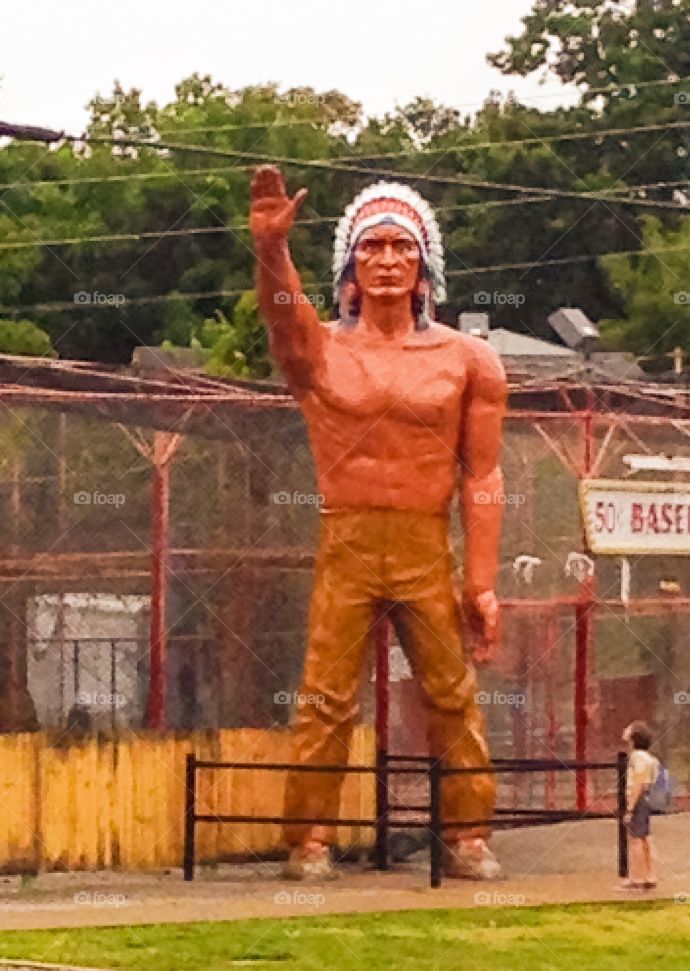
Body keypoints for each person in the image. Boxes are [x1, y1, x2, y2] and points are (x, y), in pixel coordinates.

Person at [249, 167, 508, 881]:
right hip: (348, 539)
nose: (388, 259)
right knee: (327, 695)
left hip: (427, 544)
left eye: (402, 246)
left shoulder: (470, 359)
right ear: (350, 267)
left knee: (452, 693)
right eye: (372, 247)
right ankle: (308, 837)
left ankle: (468, 834)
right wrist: (272, 251)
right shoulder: (322, 349)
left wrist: (481, 581)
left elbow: (482, 475)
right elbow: (282, 318)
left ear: (425, 263)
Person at [621, 720, 659, 891]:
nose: (625, 730)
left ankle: (636, 877)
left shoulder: (637, 757)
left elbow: (638, 782)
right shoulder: (650, 758)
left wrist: (630, 808)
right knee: (644, 839)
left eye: (628, 729)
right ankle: (649, 875)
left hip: (638, 800)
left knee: (636, 840)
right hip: (645, 799)